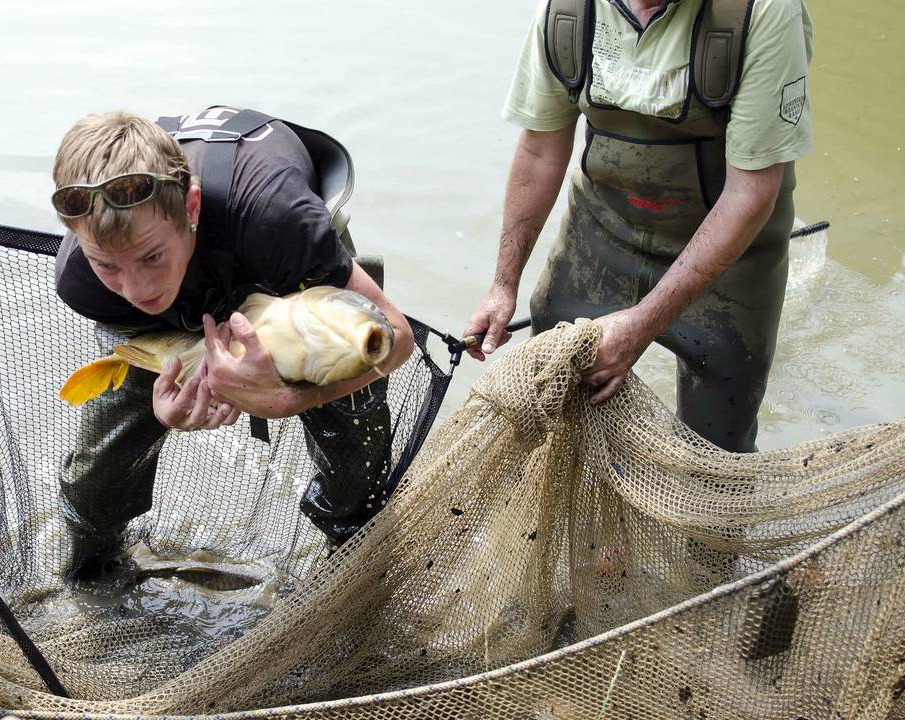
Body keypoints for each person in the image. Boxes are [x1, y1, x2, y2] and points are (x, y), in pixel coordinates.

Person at [52, 108, 415, 578]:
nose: (137, 288)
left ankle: (351, 570)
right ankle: (94, 573)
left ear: (192, 207)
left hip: (279, 264)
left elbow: (398, 337)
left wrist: (287, 399)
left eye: (151, 257)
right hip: (193, 290)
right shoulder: (82, 281)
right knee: (99, 472)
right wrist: (181, 392)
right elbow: (148, 340)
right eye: (108, 265)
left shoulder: (280, 220)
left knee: (354, 448)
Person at [464, 0, 813, 453]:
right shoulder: (566, 11)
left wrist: (642, 325)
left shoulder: (763, 12)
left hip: (732, 258)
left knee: (715, 448)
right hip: (601, 232)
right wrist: (503, 285)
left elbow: (751, 192)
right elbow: (539, 149)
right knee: (552, 416)